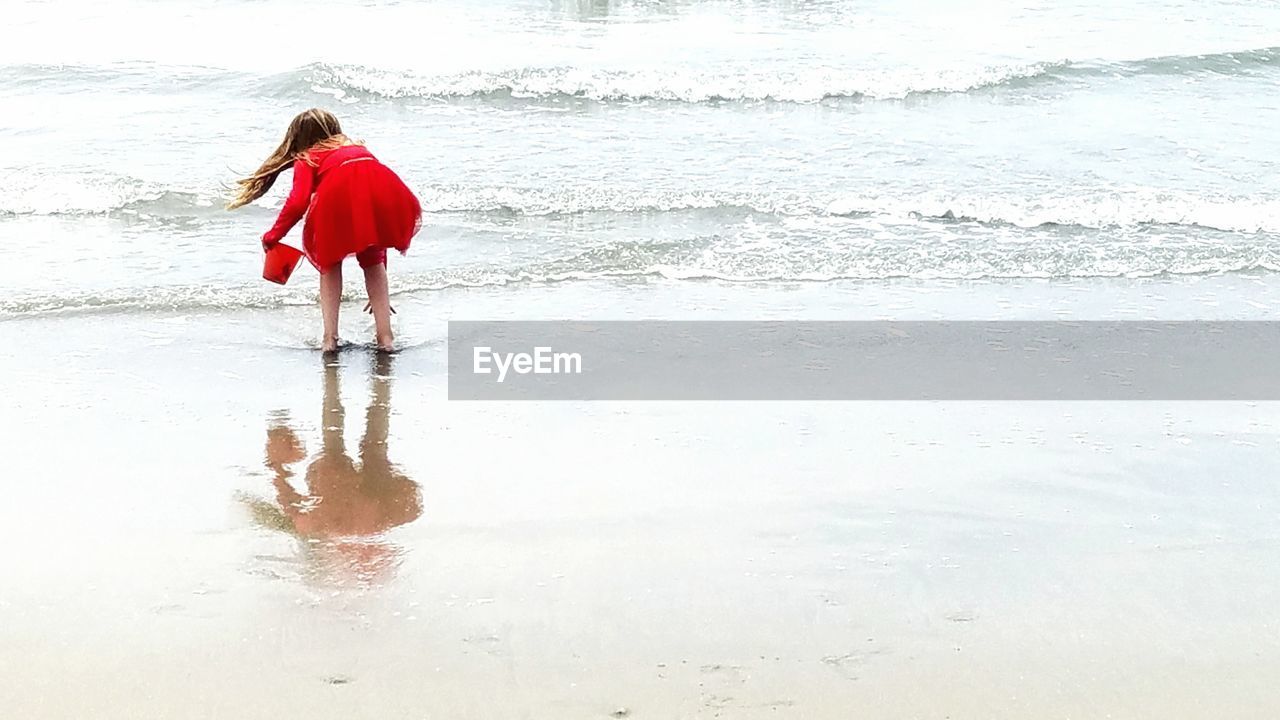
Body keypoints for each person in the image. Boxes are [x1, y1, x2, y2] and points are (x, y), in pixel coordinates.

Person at [229, 108, 421, 352]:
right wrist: (380, 293)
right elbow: (376, 232)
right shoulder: (359, 148)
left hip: (337, 199)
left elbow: (298, 202)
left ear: (298, 138)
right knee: (373, 260)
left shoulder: (309, 156)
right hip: (387, 192)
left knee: (329, 263)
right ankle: (386, 337)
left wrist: (273, 236)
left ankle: (330, 338)